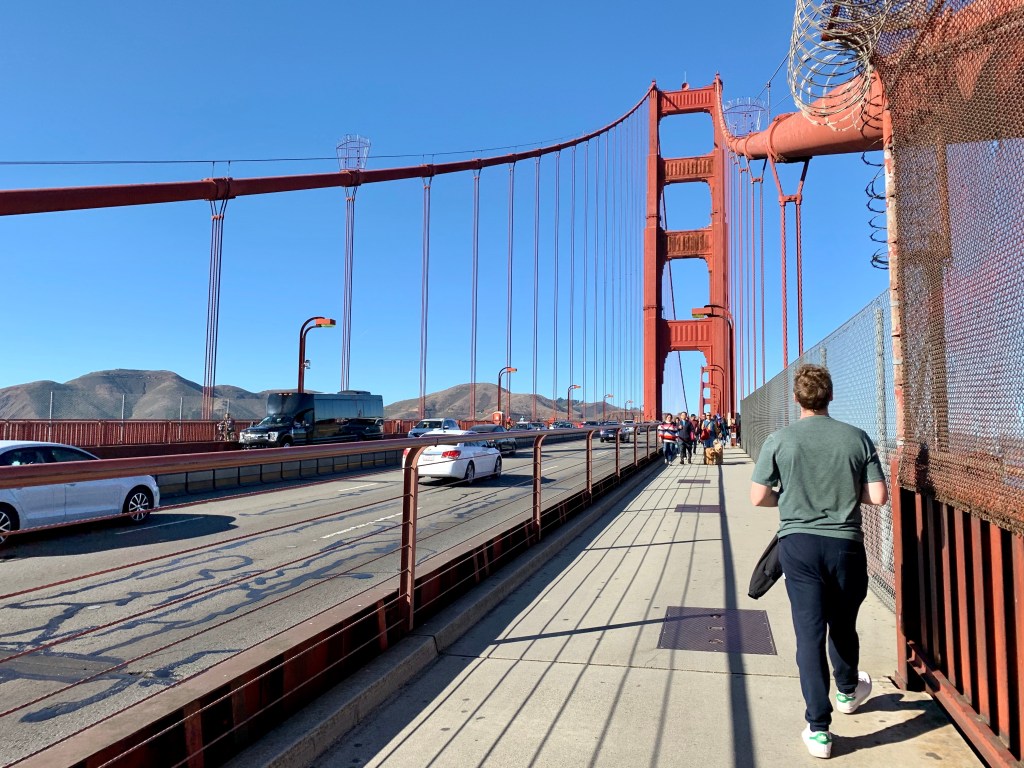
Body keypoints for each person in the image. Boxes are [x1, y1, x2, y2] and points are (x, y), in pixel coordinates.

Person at [749, 364, 888, 759]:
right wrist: (843, 495)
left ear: (797, 400)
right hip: (845, 545)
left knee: (809, 633)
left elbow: (758, 498)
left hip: (798, 546)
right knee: (843, 624)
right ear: (831, 396)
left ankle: (820, 730)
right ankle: (847, 692)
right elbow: (878, 497)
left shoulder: (780, 440)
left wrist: (793, 501)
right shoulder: (857, 438)